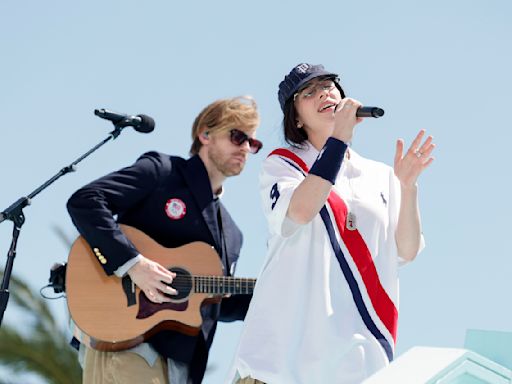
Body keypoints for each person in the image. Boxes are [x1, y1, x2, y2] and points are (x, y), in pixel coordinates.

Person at [227, 63, 435, 384]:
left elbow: (406, 251)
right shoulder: (284, 163)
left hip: (356, 367)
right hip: (280, 365)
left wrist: (407, 187)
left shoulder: (380, 174)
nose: (324, 93)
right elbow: (299, 211)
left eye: (329, 85)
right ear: (296, 117)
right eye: (308, 92)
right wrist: (339, 138)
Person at [66, 96, 262, 384]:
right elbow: (86, 201)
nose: (246, 148)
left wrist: (273, 295)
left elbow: (214, 302)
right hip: (128, 345)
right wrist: (134, 264)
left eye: (253, 144)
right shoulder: (163, 172)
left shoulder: (232, 234)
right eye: (238, 137)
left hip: (183, 365)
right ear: (205, 134)